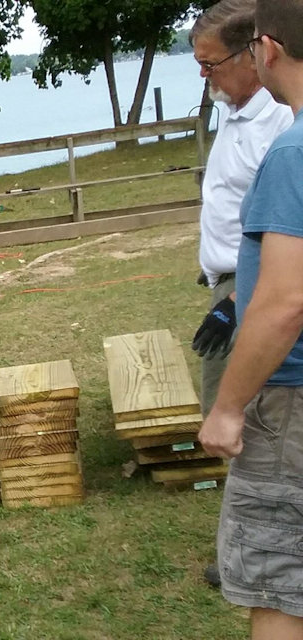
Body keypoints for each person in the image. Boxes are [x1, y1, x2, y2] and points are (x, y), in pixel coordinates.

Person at [199, 1, 303, 635]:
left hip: (288, 394)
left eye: (211, 64)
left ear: (265, 49)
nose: (205, 77)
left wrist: (231, 406)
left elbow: (287, 300)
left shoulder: (290, 150)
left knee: (277, 579)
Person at [190, 0, 294, 414]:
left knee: (236, 415)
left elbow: (287, 231)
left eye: (210, 64)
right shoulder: (233, 111)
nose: (203, 74)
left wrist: (236, 301)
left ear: (252, 56)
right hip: (232, 281)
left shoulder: (279, 126)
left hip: (253, 291)